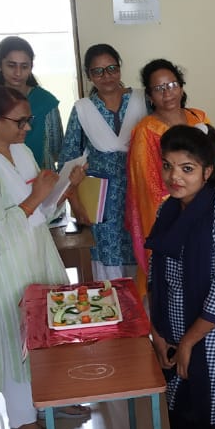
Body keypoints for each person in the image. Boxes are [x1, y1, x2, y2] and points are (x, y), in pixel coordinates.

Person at [0, 85, 88, 429]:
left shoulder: (22, 151)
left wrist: (64, 189)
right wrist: (36, 197)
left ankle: (54, 396)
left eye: (28, 120)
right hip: (4, 262)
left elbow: (42, 213)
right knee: (16, 335)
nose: (27, 128)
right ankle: (22, 415)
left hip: (36, 251)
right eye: (20, 121)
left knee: (49, 325)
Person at [145, 125, 215, 429]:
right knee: (180, 423)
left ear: (207, 171)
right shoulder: (168, 210)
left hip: (207, 340)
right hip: (169, 334)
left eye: (187, 168)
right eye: (168, 165)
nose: (175, 176)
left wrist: (188, 341)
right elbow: (154, 276)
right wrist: (157, 334)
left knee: (205, 428)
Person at [59, 43, 147, 281]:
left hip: (140, 195)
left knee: (143, 258)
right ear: (89, 76)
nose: (106, 76)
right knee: (108, 272)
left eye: (111, 68)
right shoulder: (83, 110)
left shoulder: (142, 100)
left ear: (119, 69)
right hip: (101, 202)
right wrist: (76, 206)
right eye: (98, 71)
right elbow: (67, 162)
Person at [125, 58, 210, 287]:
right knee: (173, 282)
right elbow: (148, 187)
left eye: (172, 85)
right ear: (150, 96)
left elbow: (214, 160)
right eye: (159, 89)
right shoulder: (145, 131)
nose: (167, 93)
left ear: (181, 87)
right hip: (171, 214)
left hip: (204, 206)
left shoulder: (199, 118)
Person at [0, 36, 64, 171]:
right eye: (11, 65)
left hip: (41, 178)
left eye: (24, 66)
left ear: (31, 67)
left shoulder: (46, 102)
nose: (18, 73)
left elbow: (56, 149)